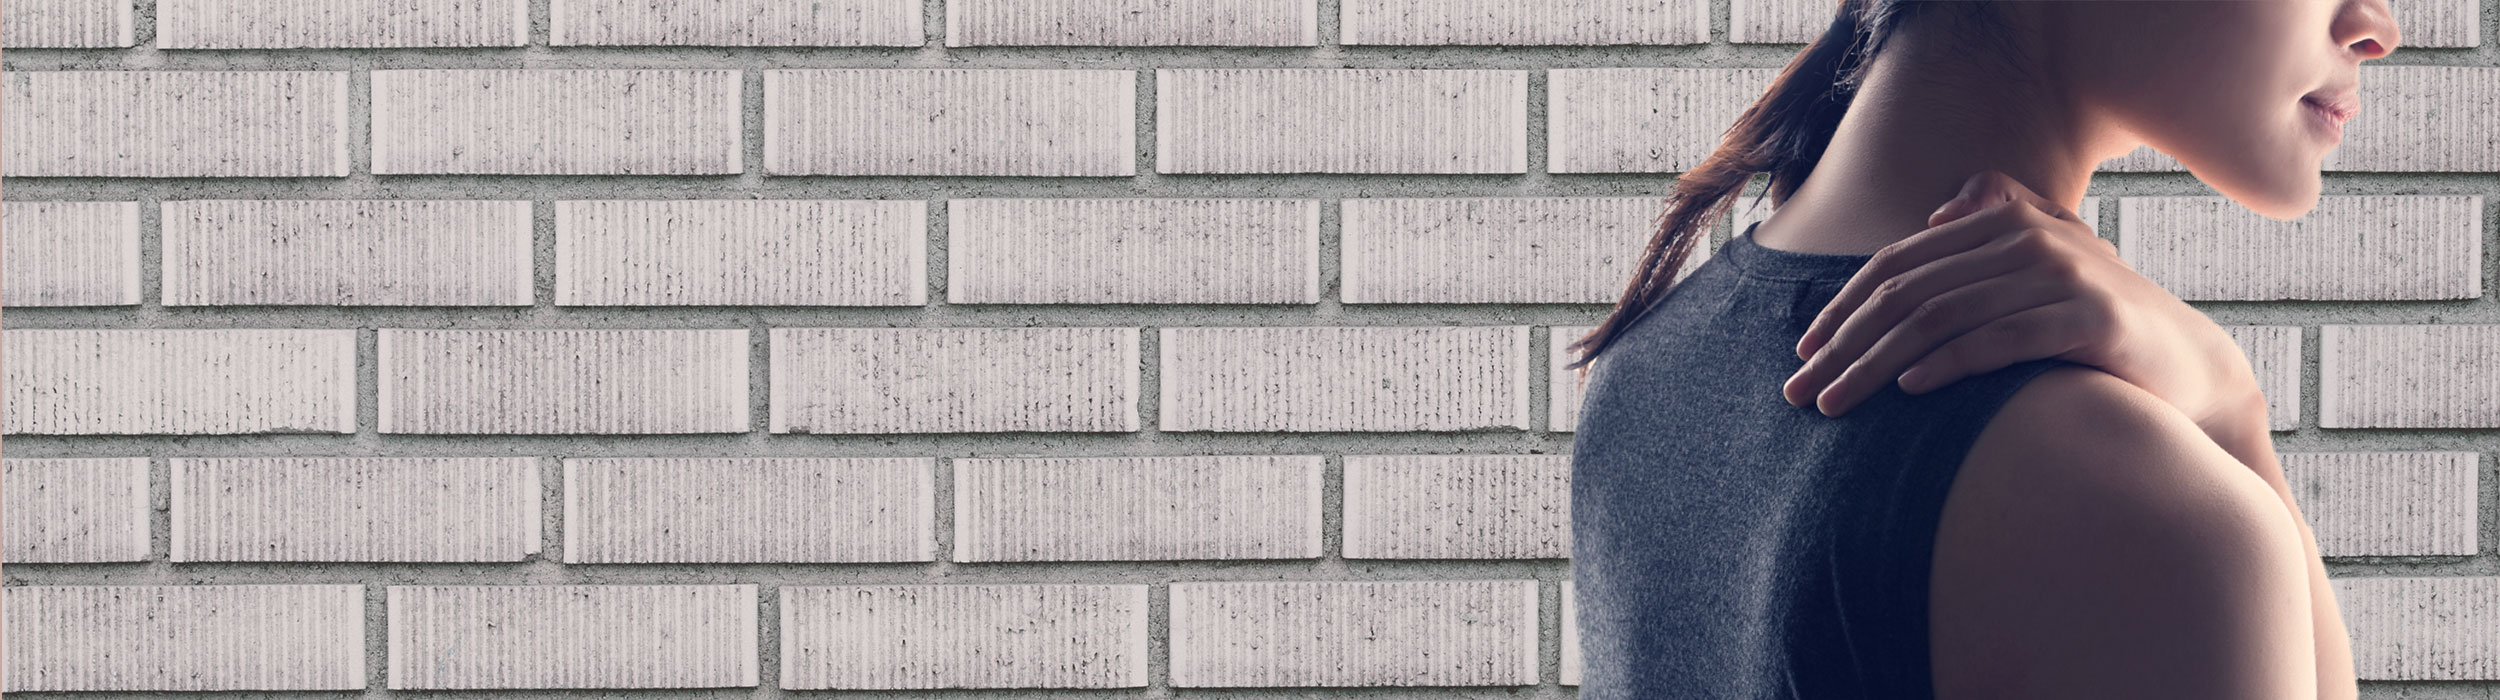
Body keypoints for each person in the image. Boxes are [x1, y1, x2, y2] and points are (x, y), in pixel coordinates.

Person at [1562, 0, 2399, 698]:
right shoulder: (2139, 516)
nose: (2376, 25)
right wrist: (2225, 419)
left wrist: (2225, 399)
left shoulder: (1642, 372)